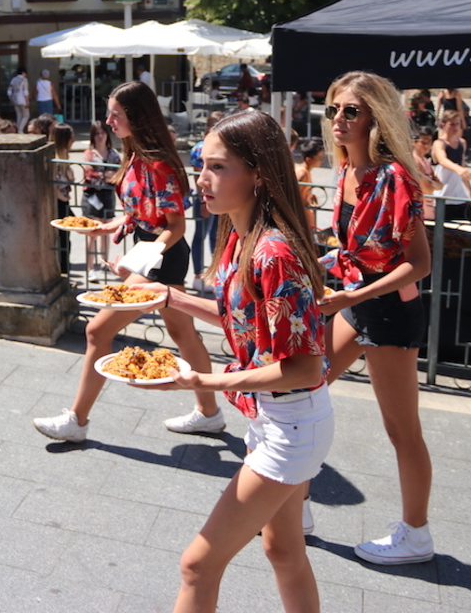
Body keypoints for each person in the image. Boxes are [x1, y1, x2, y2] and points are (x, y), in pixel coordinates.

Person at [137, 109, 332, 613]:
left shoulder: (273, 253)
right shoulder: (242, 239)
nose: (201, 179)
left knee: (197, 566)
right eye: (202, 164)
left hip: (291, 424)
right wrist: (169, 296)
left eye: (218, 167)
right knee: (283, 551)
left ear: (258, 174)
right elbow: (239, 320)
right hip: (277, 419)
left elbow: (305, 368)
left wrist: (201, 381)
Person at [33, 81, 222, 442]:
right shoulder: (136, 155)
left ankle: (77, 420)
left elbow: (176, 226)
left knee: (97, 331)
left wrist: (139, 260)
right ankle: (209, 413)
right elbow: (142, 213)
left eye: (115, 114)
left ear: (136, 116)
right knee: (183, 334)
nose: (108, 121)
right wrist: (109, 226)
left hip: (160, 258)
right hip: (155, 254)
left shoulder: (158, 164)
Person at [315, 70, 434, 565]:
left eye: (351, 111)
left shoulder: (395, 179)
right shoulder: (346, 171)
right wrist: (323, 260)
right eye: (333, 109)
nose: (339, 119)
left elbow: (419, 263)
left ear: (376, 119)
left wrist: (352, 294)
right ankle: (292, 502)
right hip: (357, 301)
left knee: (401, 430)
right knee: (302, 387)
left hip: (390, 312)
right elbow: (358, 247)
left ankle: (416, 536)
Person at [189, 110, 226, 292]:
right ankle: (198, 276)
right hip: (205, 197)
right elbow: (199, 178)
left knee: (216, 236)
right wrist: (204, 201)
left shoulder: (224, 146)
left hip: (221, 197)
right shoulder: (199, 148)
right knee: (200, 235)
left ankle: (216, 273)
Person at [82, 120, 120, 281]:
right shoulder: (89, 154)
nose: (100, 136)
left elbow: (118, 174)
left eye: (102, 133)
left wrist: (107, 177)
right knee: (92, 232)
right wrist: (106, 176)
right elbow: (89, 175)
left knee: (106, 230)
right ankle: (90, 268)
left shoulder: (113, 154)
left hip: (107, 195)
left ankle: (104, 262)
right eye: (96, 133)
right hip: (92, 195)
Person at [430, 109, 471, 221]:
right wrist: (458, 169)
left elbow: (463, 168)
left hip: (459, 197)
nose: (455, 127)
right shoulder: (439, 143)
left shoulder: (462, 143)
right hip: (442, 197)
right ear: (444, 125)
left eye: (457, 124)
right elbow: (442, 160)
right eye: (452, 124)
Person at [51, 122, 76, 275]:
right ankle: (62, 273)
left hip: (64, 201)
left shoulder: (64, 158)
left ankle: (65, 272)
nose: (73, 141)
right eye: (70, 138)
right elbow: (53, 186)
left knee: (66, 240)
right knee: (61, 241)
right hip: (58, 204)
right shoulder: (55, 160)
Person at [411, 129, 443, 220]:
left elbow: (440, 185)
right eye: (423, 142)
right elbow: (426, 189)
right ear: (414, 142)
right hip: (420, 206)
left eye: (429, 142)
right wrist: (432, 183)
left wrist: (430, 182)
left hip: (428, 205)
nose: (427, 146)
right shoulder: (416, 162)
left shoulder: (425, 161)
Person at [294, 139, 325, 231]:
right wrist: (307, 204)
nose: (322, 160)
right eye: (319, 157)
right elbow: (293, 196)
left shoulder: (304, 171)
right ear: (309, 160)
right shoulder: (302, 173)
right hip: (301, 218)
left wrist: (309, 197)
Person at [8, 66, 30, 133]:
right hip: (22, 100)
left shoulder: (13, 80)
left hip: (15, 99)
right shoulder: (24, 80)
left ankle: (17, 129)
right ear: (23, 73)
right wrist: (27, 101)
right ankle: (20, 129)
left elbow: (9, 91)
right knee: (26, 115)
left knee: (19, 115)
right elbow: (25, 92)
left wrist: (11, 100)